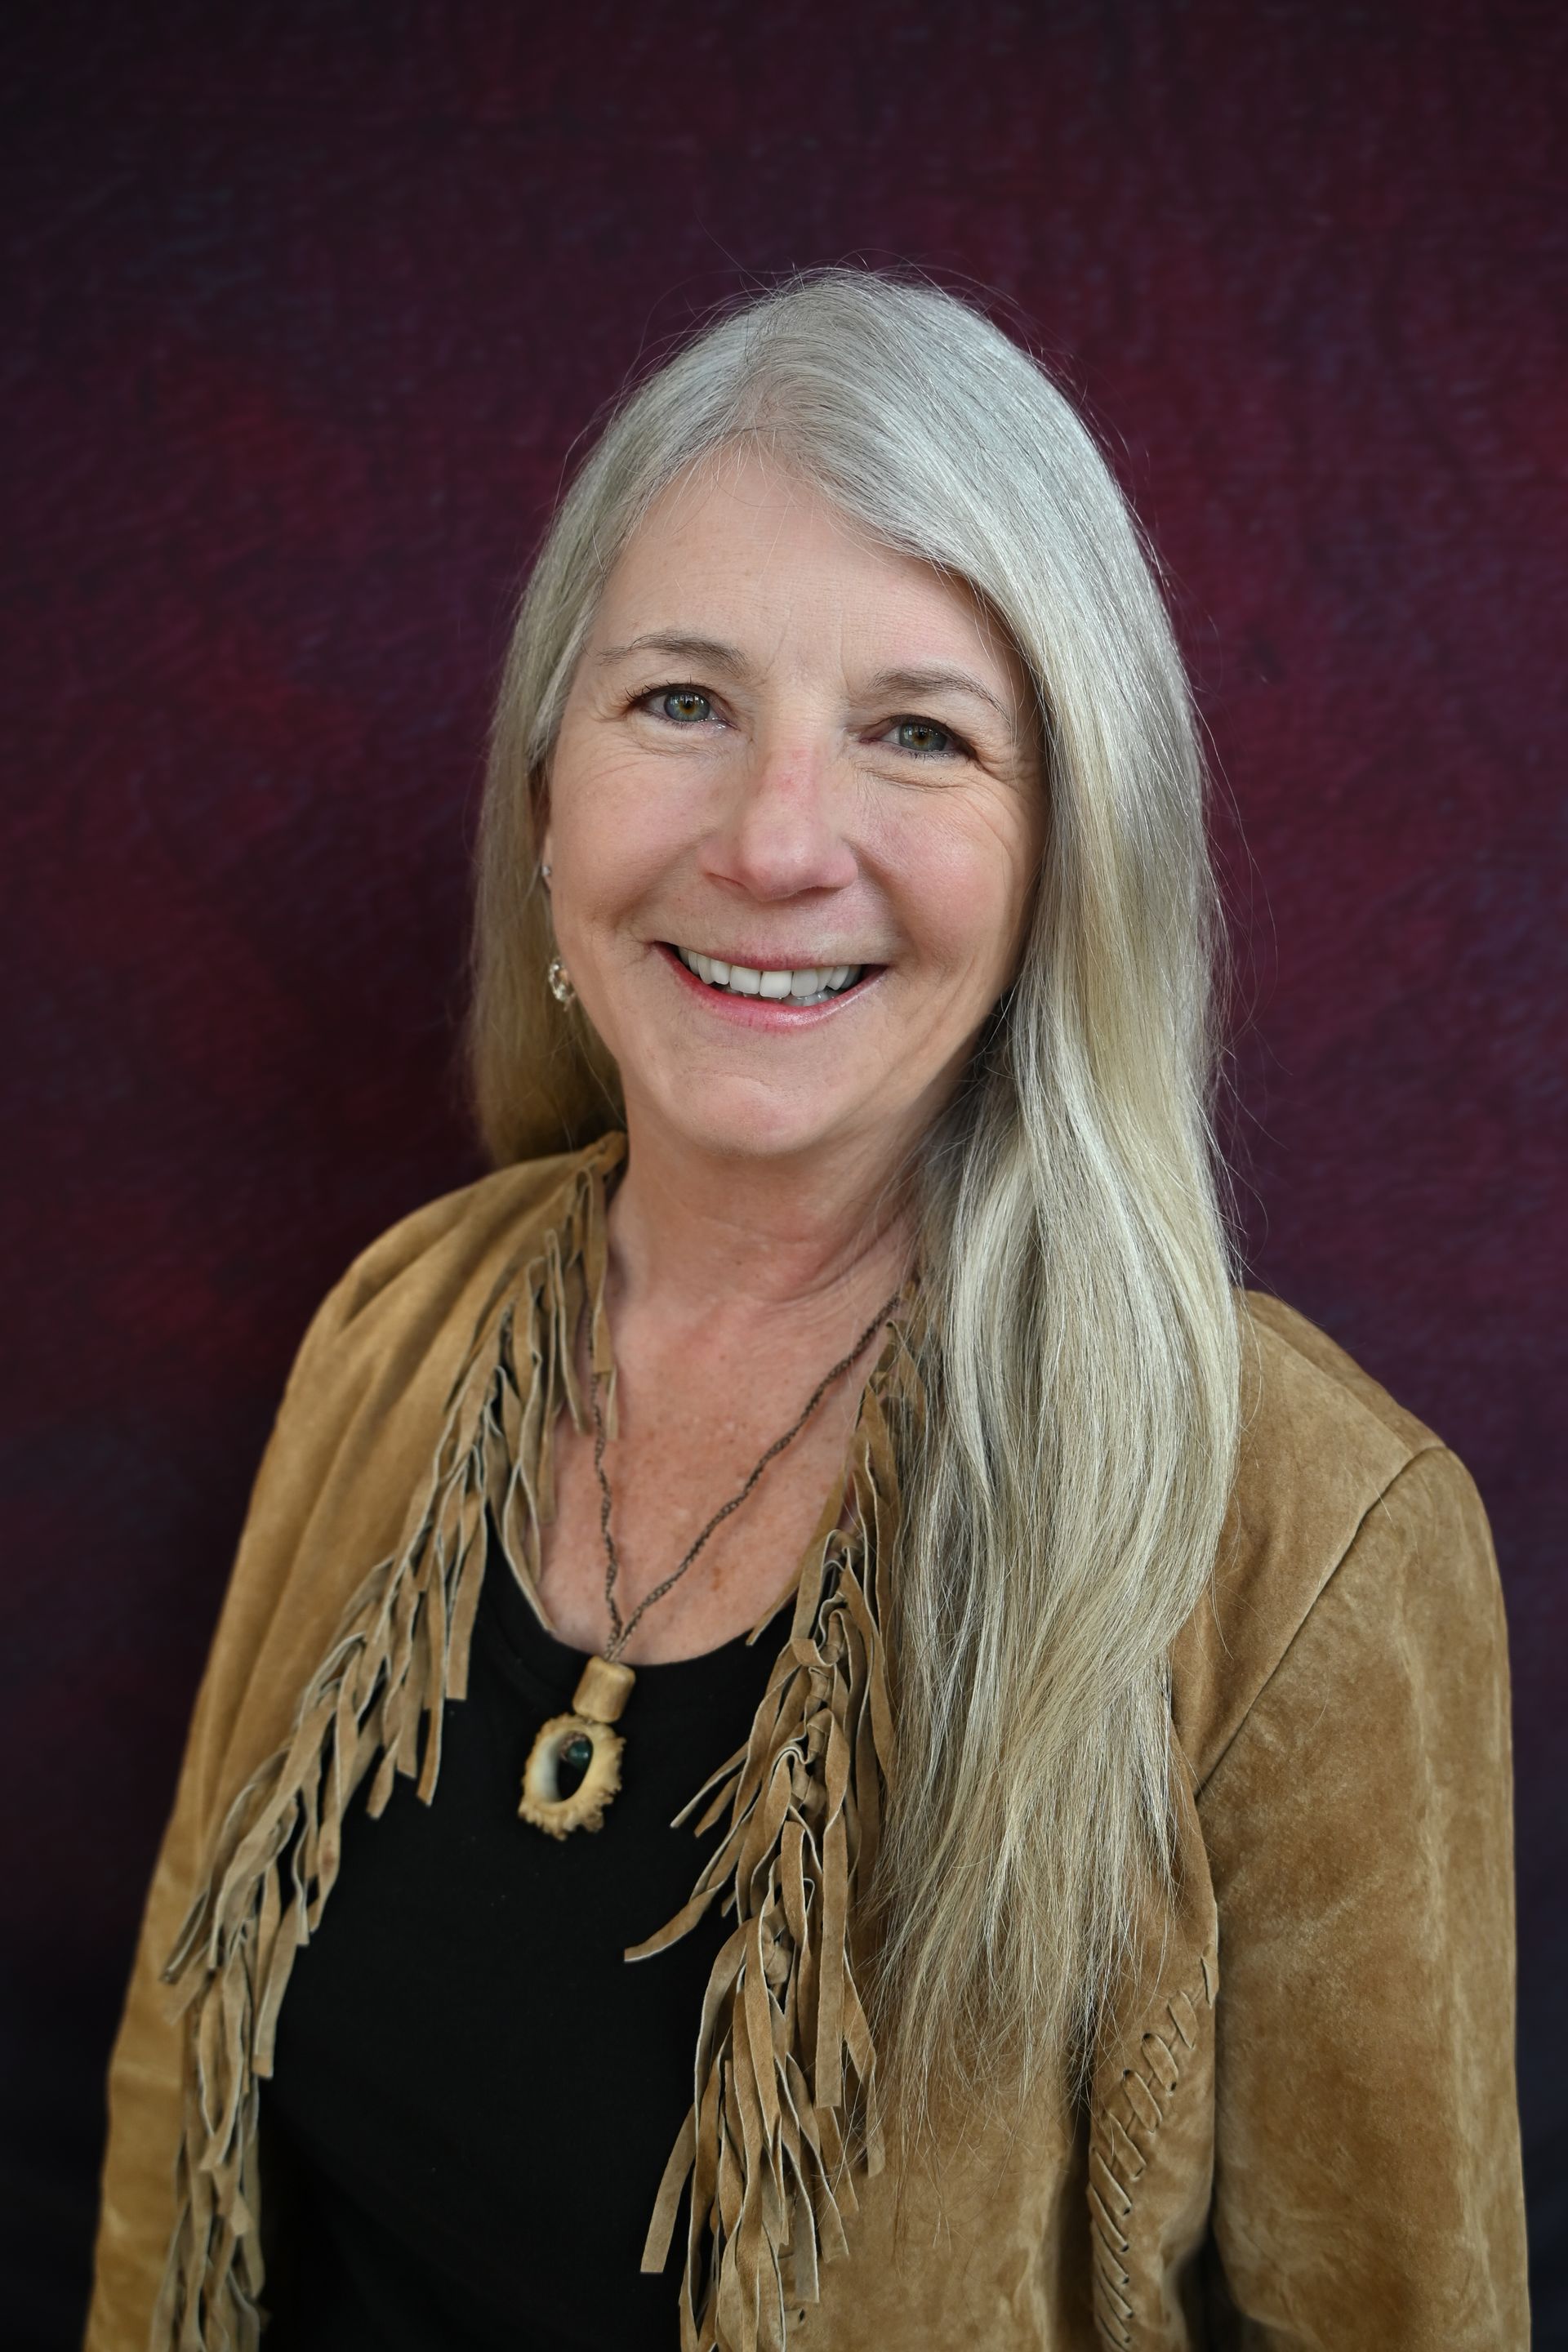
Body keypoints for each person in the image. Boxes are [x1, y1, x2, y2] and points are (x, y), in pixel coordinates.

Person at [84, 267, 1529, 2352]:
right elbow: (170, 2124)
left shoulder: (1308, 1536)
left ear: (1067, 868)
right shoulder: (399, 1327)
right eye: (682, 703)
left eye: (920, 735)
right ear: (543, 799)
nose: (775, 843)